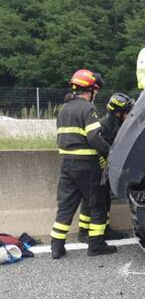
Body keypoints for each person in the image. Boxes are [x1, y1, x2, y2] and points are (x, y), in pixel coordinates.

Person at [50, 69, 117, 259]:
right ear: (91, 89)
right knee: (97, 204)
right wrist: (110, 152)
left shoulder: (64, 109)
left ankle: (56, 247)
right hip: (87, 165)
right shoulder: (88, 109)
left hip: (67, 164)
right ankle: (96, 246)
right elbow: (94, 138)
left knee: (66, 205)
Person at [77, 93, 134, 243]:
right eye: (127, 112)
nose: (129, 115)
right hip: (96, 168)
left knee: (105, 199)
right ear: (117, 112)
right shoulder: (104, 126)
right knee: (93, 200)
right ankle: (84, 232)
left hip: (106, 168)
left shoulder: (119, 124)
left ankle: (104, 229)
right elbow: (102, 147)